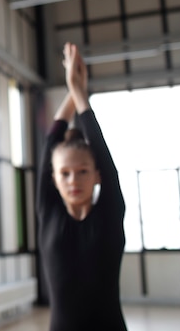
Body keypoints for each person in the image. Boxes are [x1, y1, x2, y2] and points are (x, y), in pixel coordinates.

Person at [36, 42, 127, 331]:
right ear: (54, 179)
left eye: (83, 171)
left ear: (97, 175)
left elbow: (101, 151)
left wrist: (78, 91)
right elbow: (51, 141)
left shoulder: (110, 213)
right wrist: (75, 90)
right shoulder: (48, 212)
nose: (73, 180)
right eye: (65, 173)